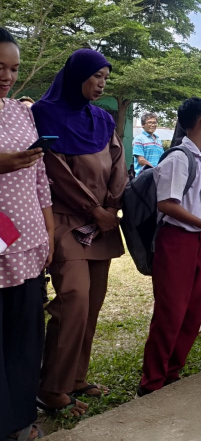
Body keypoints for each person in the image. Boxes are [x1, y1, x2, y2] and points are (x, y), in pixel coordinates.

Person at [32, 49, 128, 411]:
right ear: (76, 76)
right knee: (74, 298)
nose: (101, 83)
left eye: (105, 77)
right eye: (96, 76)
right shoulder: (44, 114)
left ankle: (76, 378)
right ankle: (50, 385)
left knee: (93, 304)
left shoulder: (102, 119)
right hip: (67, 219)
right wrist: (93, 208)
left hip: (103, 221)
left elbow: (118, 162)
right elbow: (54, 170)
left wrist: (112, 206)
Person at [138, 98, 201, 396]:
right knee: (171, 312)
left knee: (192, 313)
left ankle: (171, 373)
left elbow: (197, 205)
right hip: (176, 242)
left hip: (197, 240)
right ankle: (151, 383)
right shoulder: (178, 157)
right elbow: (166, 204)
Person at [0, 28, 57, 437]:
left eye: (14, 68)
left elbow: (40, 178)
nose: (7, 76)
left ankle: (21, 419)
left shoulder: (21, 112)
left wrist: (49, 231)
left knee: (24, 336)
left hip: (29, 239)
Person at [132, 112, 164, 177]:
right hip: (143, 177)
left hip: (157, 177)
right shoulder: (139, 139)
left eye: (154, 122)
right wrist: (154, 171)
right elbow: (141, 160)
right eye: (150, 122)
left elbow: (162, 159)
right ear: (143, 125)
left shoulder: (159, 140)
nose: (153, 125)